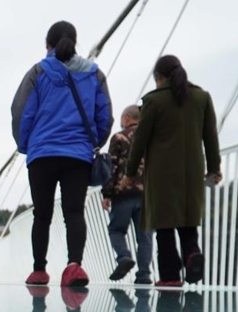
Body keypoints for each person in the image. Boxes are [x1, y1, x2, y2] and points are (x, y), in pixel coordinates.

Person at [12, 21, 113, 287]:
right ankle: (74, 267)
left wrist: (26, 145)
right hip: (77, 155)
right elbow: (105, 116)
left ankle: (39, 271)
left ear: (48, 44)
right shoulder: (94, 74)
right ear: (75, 42)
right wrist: (93, 141)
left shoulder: (38, 72)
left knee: (41, 214)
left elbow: (22, 112)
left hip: (42, 154)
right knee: (74, 212)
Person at [127, 55, 222, 287]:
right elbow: (210, 137)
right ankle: (192, 255)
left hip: (161, 173)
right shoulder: (202, 97)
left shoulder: (154, 101)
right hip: (192, 171)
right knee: (188, 222)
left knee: (164, 226)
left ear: (159, 78)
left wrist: (130, 172)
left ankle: (170, 276)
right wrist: (214, 168)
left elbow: (140, 140)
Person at [101, 105, 154, 284]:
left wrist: (107, 193)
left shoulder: (119, 137)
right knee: (145, 236)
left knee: (116, 229)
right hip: (147, 195)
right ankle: (144, 274)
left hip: (123, 194)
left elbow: (111, 168)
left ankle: (124, 257)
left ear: (126, 118)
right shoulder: (151, 138)